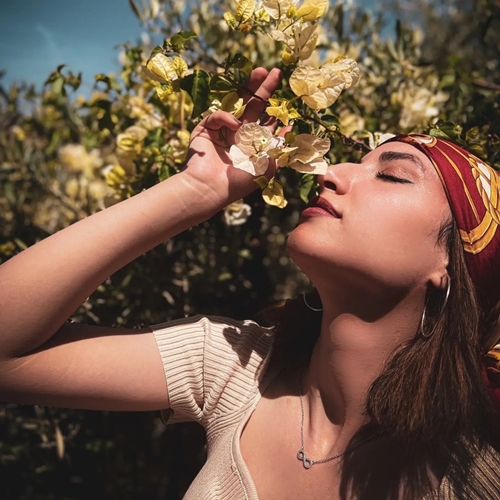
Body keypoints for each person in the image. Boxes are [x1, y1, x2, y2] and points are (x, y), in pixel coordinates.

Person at [0, 67, 499, 499]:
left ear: (452, 263)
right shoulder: (236, 367)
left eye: (391, 176)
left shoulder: (477, 479)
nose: (330, 171)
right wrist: (193, 191)